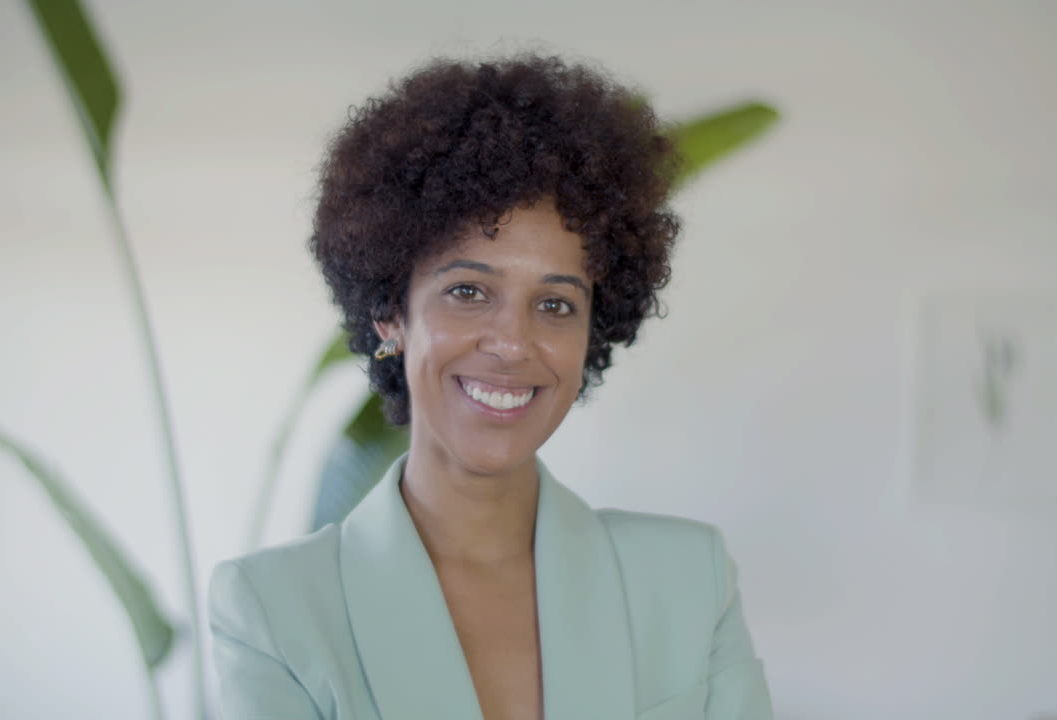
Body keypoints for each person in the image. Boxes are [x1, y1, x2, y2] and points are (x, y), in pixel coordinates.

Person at [208, 53, 773, 720]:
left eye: (555, 304)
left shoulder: (689, 580)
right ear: (391, 314)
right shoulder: (274, 610)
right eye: (468, 292)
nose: (512, 343)